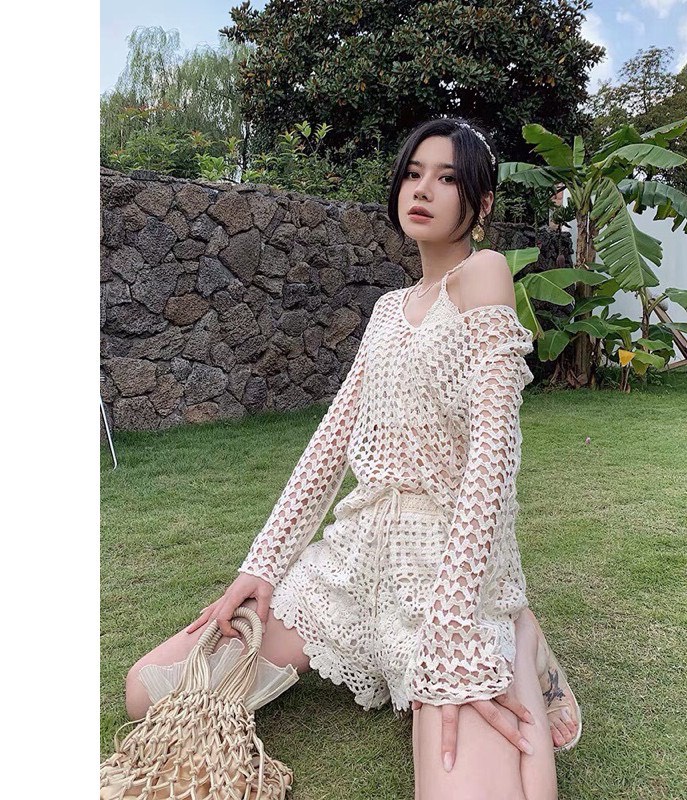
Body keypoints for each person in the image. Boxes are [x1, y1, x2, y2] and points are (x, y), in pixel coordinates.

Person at [124, 116, 581, 800]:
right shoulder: (389, 310)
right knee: (150, 691)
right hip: (353, 563)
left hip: (446, 573)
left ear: (481, 203)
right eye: (413, 174)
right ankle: (493, 639)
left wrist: (456, 623)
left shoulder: (483, 274)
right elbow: (332, 442)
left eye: (447, 178)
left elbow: (495, 455)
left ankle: (515, 638)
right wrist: (261, 568)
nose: (422, 189)